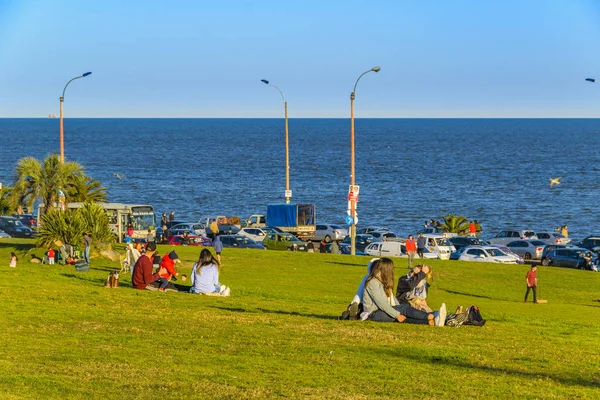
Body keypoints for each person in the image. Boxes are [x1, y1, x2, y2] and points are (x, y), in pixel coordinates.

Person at [362, 258, 439, 325]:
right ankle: (432, 316)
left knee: (405, 315)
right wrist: (397, 315)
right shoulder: (372, 282)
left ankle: (431, 322)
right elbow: (381, 303)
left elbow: (391, 298)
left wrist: (398, 311)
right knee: (403, 309)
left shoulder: (381, 281)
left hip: (381, 312)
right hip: (372, 314)